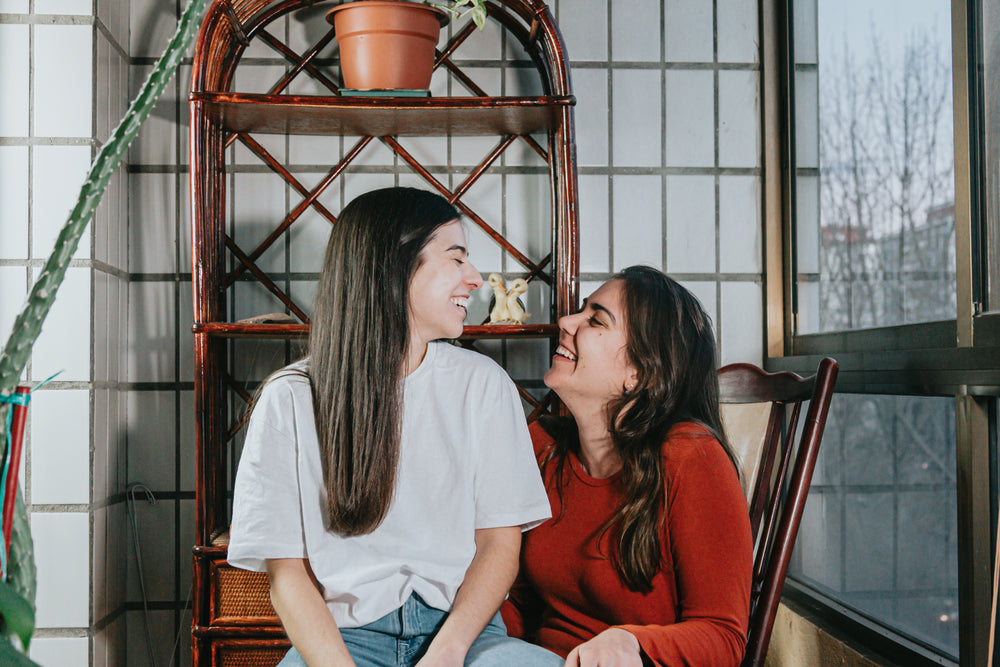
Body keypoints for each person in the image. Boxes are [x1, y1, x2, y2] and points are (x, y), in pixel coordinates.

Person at [227, 187, 559, 667]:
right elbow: (287, 574)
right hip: (343, 642)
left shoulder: (484, 385)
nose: (474, 278)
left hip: (466, 635)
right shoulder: (290, 398)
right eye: (456, 258)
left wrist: (447, 653)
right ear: (397, 267)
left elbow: (499, 545)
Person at [501, 266, 753, 667]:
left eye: (595, 319)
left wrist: (629, 642)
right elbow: (520, 600)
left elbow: (723, 638)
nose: (566, 322)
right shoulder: (542, 446)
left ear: (639, 373)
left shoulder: (692, 458)